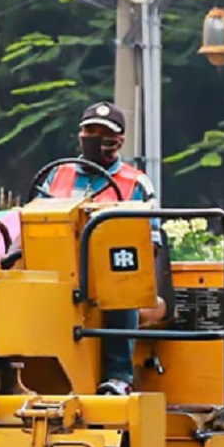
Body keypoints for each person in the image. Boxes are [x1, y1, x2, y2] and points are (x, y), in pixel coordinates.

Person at [39, 102, 169, 396]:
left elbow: (149, 243)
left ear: (119, 141)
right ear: (80, 134)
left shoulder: (136, 183)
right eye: (90, 131)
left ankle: (118, 376)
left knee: (122, 291)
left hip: (109, 271)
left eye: (104, 133)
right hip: (56, 268)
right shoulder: (56, 175)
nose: (95, 138)